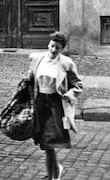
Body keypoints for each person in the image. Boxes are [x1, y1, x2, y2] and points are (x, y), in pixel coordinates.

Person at [27, 31, 83, 180]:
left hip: (55, 105)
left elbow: (78, 85)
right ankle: (55, 169)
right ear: (48, 44)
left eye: (57, 48)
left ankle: (54, 175)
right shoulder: (37, 59)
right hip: (40, 103)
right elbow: (31, 77)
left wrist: (69, 95)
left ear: (62, 49)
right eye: (52, 46)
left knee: (49, 143)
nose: (53, 50)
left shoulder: (66, 63)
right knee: (45, 144)